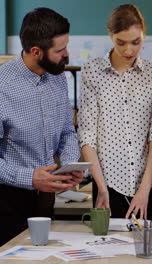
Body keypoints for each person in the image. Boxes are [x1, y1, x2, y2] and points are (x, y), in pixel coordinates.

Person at [0, 8, 83, 246]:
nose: (67, 54)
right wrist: (29, 177)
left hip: (46, 200)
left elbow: (67, 130)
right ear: (36, 51)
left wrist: (69, 164)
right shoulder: (2, 86)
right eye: (60, 50)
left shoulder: (57, 77)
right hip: (6, 203)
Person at [78, 4, 152, 220]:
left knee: (145, 251)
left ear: (144, 35)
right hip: (107, 186)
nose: (128, 51)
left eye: (136, 42)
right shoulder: (92, 72)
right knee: (108, 251)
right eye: (121, 43)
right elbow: (87, 137)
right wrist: (101, 187)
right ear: (110, 36)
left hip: (146, 187)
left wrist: (144, 190)